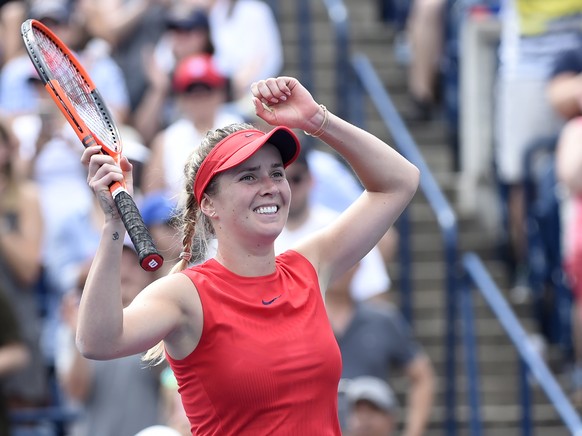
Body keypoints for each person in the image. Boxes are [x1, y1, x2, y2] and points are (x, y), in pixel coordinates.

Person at [75, 76, 420, 434]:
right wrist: (113, 221)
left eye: (276, 173)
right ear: (209, 203)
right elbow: (96, 340)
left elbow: (401, 181)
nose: (270, 187)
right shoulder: (187, 294)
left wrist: (316, 120)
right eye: (248, 178)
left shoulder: (307, 265)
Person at [55, 241, 163, 436]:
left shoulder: (164, 319)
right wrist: (77, 333)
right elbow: (76, 392)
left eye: (134, 264)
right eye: (117, 263)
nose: (125, 272)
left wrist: (139, 310)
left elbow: (167, 381)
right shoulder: (74, 325)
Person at [326, 262, 435, 435]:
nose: (339, 268)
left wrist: (413, 432)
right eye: (335, 261)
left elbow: (422, 376)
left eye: (347, 261)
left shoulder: (382, 320)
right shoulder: (300, 321)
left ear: (359, 266)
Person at [274, 146, 392, 302]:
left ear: (311, 179)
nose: (289, 188)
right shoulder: (255, 234)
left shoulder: (342, 227)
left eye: (296, 179)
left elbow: (375, 296)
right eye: (279, 179)